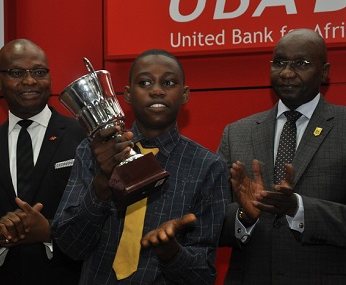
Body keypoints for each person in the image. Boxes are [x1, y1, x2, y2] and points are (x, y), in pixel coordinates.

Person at [51, 49, 229, 284]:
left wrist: (172, 253)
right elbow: (70, 246)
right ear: (127, 94)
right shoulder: (93, 152)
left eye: (169, 82)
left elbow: (203, 276)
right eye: (144, 82)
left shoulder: (208, 166)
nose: (156, 90)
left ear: (184, 94)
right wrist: (102, 184)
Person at [217, 29, 346, 284]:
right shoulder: (236, 133)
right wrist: (244, 217)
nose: (287, 73)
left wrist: (298, 208)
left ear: (324, 72)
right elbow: (211, 223)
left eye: (301, 64)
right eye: (279, 62)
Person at [0, 39, 85, 284]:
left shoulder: (84, 138)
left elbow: (102, 219)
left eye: (39, 72)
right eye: (17, 73)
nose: (29, 81)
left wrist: (50, 233)